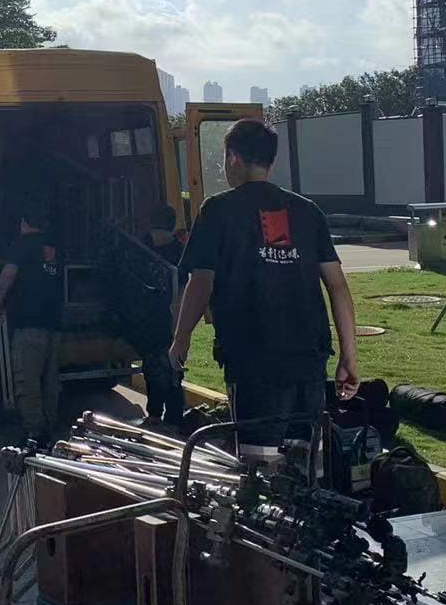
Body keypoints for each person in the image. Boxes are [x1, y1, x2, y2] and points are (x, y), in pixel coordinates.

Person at [168, 119, 359, 462]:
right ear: (271, 160)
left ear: (233, 158)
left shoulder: (218, 209)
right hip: (308, 360)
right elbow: (338, 287)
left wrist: (180, 340)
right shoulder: (307, 211)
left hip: (253, 362)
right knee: (306, 465)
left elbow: (200, 282)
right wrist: (349, 356)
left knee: (259, 469)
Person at [0, 201, 61, 442]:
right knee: (50, 380)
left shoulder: (23, 245)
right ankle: (49, 426)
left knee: (27, 380)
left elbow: (9, 274)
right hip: (53, 324)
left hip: (28, 326)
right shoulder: (52, 248)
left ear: (23, 223)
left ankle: (34, 432)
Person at [138, 202, 186, 427]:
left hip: (157, 318)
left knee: (160, 367)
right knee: (165, 367)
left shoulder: (143, 248)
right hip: (167, 318)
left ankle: (163, 415)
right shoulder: (179, 250)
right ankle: (167, 416)